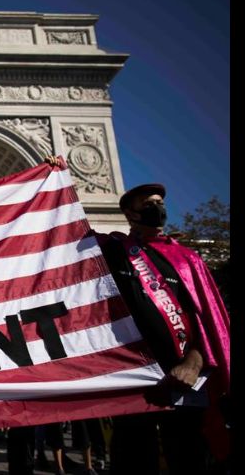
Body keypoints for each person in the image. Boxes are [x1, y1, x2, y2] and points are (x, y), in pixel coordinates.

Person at [90, 181, 230, 474]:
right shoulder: (113, 250)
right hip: (133, 378)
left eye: (160, 203)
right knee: (133, 457)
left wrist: (194, 361)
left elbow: (208, 321)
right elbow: (64, 234)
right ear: (130, 213)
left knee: (189, 458)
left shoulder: (188, 259)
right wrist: (52, 177)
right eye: (148, 204)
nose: (158, 208)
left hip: (184, 378)